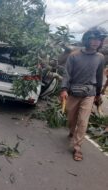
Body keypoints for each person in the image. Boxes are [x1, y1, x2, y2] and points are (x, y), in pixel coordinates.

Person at [60, 27, 107, 161]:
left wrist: (98, 94)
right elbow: (67, 74)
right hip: (74, 91)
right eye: (93, 39)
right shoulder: (74, 55)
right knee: (71, 118)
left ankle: (77, 147)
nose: (95, 42)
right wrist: (64, 89)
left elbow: (99, 77)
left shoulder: (100, 57)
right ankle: (71, 131)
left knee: (83, 121)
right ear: (87, 40)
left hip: (89, 93)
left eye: (98, 40)